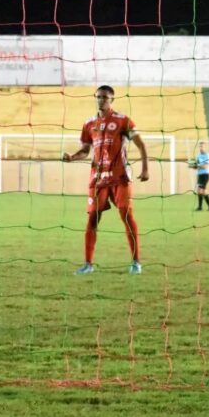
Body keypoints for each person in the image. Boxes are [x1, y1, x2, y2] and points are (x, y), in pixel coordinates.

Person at [62, 85, 149, 275]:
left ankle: (136, 262)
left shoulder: (123, 120)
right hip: (98, 179)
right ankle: (88, 264)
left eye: (105, 97)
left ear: (112, 100)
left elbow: (141, 145)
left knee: (126, 215)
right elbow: (85, 151)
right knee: (92, 219)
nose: (101, 100)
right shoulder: (88, 124)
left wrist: (145, 168)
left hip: (120, 177)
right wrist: (72, 157)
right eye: (98, 97)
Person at [192, 141, 209, 211]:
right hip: (199, 175)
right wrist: (193, 166)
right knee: (201, 191)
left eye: (202, 146)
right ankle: (208, 207)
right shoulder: (198, 155)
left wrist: (198, 165)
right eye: (200, 146)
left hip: (205, 175)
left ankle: (201, 207)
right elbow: (196, 166)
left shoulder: (207, 155)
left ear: (205, 147)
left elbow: (206, 166)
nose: (201, 148)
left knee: (201, 190)